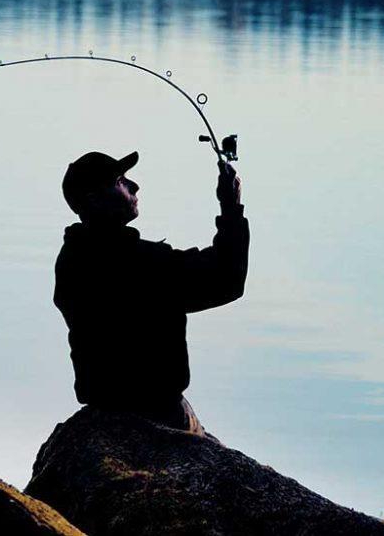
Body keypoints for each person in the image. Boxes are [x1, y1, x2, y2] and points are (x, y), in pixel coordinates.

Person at [53, 150, 249, 435]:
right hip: (157, 413)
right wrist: (231, 206)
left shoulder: (71, 259)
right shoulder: (142, 263)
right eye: (120, 181)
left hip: (103, 404)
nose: (134, 186)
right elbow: (225, 278)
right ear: (94, 200)